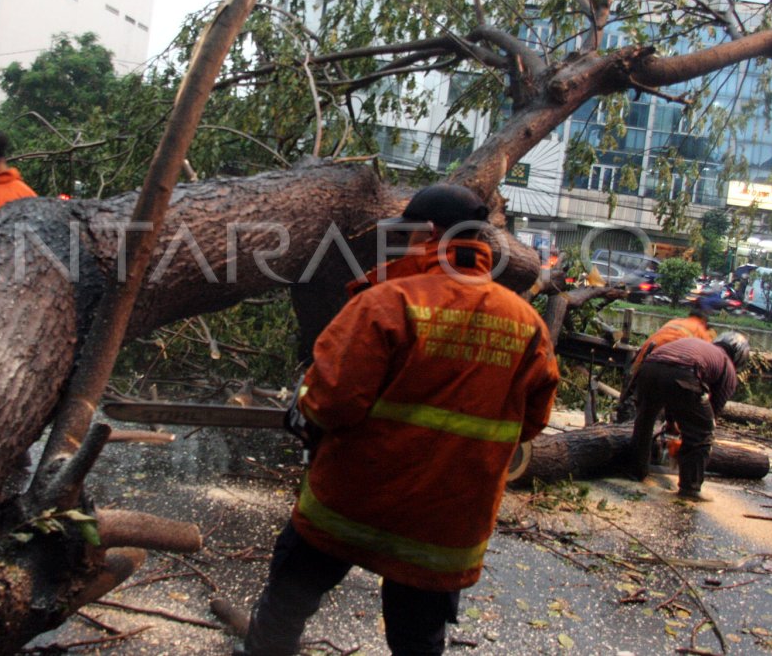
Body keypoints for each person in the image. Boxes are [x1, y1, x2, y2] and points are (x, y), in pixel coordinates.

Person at [239, 184, 561, 656]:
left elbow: (332, 401)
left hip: (350, 507)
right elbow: (530, 424)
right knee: (418, 642)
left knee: (286, 606)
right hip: (444, 527)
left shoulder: (389, 301)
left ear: (428, 233)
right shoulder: (525, 322)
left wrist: (302, 403)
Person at [629, 331, 750, 501]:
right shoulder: (727, 367)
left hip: (649, 367)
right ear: (740, 357)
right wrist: (690, 434)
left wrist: (672, 423)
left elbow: (671, 395)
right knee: (703, 433)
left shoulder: (699, 344)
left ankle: (636, 473)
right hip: (684, 371)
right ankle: (690, 488)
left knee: (644, 422)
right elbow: (712, 413)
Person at [616, 310, 717, 421]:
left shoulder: (675, 322)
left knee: (638, 399)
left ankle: (628, 422)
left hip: (645, 358)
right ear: (704, 322)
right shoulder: (702, 331)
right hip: (669, 364)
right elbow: (708, 361)